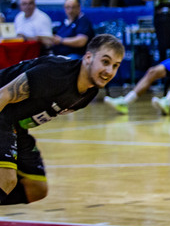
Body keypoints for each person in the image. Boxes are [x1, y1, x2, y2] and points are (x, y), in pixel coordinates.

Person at [0, 34, 123, 206]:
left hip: (16, 124)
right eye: (105, 62)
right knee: (6, 180)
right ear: (88, 57)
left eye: (115, 66)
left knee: (36, 188)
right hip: (3, 112)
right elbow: (3, 94)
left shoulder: (88, 93)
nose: (109, 71)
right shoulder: (57, 73)